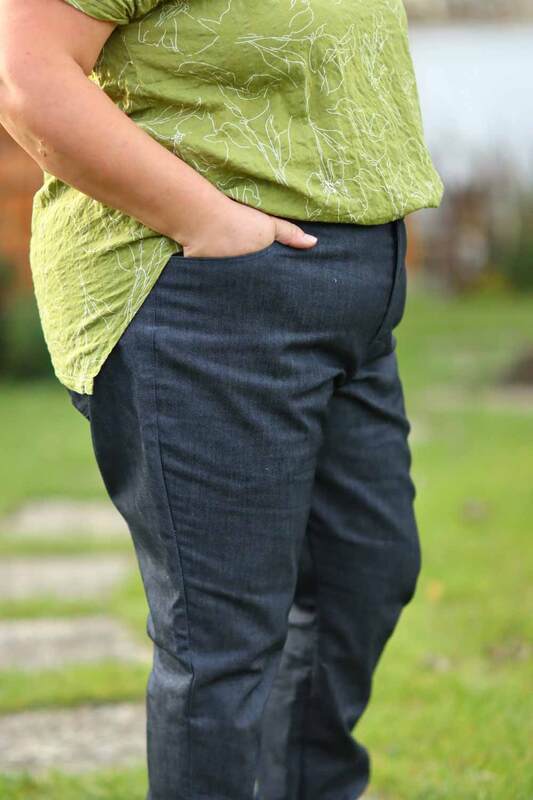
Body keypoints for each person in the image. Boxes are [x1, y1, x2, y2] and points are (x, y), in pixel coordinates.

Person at [0, 1, 444, 798]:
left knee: (362, 577)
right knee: (221, 643)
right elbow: (27, 77)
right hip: (203, 290)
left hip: (349, 292)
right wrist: (205, 220)